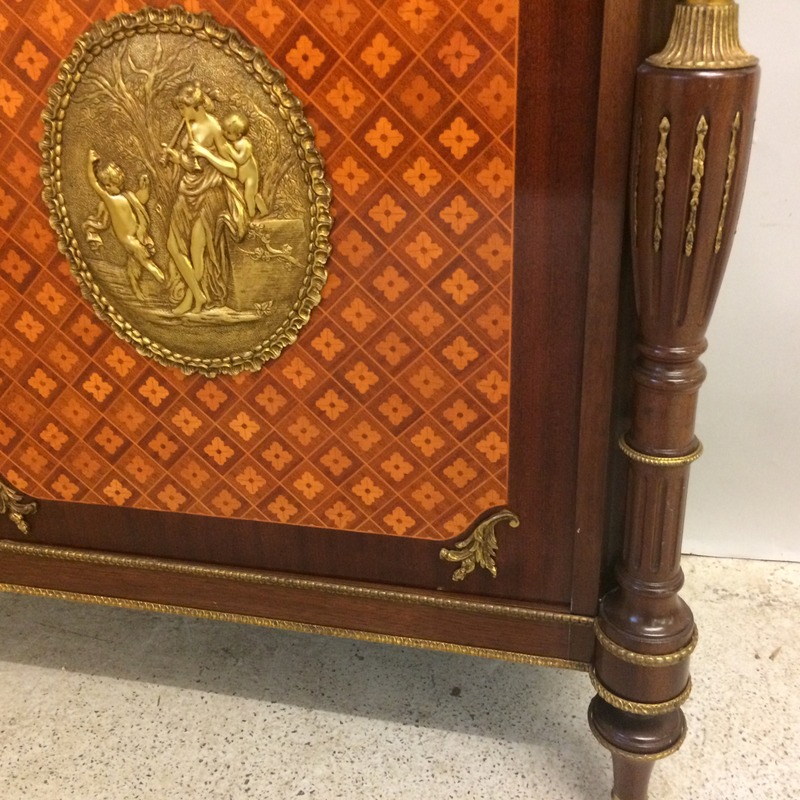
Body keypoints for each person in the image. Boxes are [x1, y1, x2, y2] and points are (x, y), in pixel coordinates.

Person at [161, 81, 239, 315]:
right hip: (187, 191)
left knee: (197, 250)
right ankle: (198, 293)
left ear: (195, 106)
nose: (180, 113)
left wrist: (206, 152)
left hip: (208, 195)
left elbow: (232, 169)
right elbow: (192, 166)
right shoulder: (188, 125)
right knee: (173, 247)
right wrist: (177, 159)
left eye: (182, 108)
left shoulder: (214, 129)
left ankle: (190, 298)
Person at [85, 150, 165, 301]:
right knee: (147, 263)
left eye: (109, 184)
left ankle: (139, 291)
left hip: (134, 238)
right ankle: (165, 282)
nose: (106, 188)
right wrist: (90, 164)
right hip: (129, 240)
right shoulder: (111, 200)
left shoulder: (125, 197)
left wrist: (145, 187)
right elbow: (93, 182)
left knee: (135, 266)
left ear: (117, 183)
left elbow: (141, 199)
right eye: (105, 185)